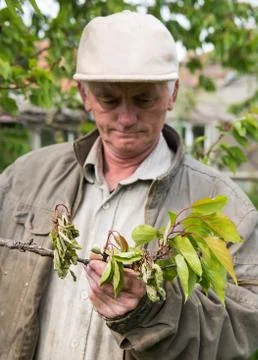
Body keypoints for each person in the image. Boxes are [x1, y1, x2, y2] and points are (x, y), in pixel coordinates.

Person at [0, 10, 258, 360]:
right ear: (84, 95)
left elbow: (246, 329)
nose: (125, 118)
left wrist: (150, 311)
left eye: (143, 99)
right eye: (108, 99)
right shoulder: (25, 179)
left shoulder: (225, 206)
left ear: (172, 94)